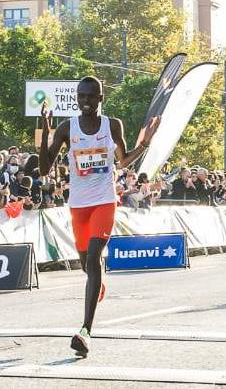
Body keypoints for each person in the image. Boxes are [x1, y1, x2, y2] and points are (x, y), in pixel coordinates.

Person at [39, 76, 159, 358]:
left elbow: (122, 161)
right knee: (86, 264)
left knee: (93, 259)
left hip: (104, 201)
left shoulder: (112, 125)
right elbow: (45, 169)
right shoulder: (68, 127)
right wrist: (45, 132)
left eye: (91, 97)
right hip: (78, 205)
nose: (85, 102)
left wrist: (145, 145)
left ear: (100, 99)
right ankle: (98, 284)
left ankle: (85, 331)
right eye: (81, 97)